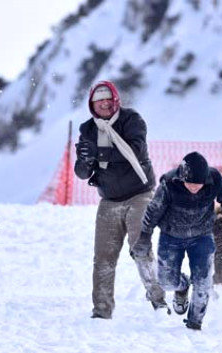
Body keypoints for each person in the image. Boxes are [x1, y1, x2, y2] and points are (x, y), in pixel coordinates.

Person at [74, 80, 168, 319]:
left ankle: (158, 301)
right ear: (92, 105)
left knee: (141, 249)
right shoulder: (88, 130)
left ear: (115, 100)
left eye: (108, 99)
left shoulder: (131, 120)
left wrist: (99, 152)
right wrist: (85, 160)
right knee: (103, 258)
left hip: (140, 193)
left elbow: (135, 151)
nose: (104, 104)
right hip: (109, 199)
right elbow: (82, 173)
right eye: (98, 100)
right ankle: (102, 311)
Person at [131, 151, 222, 330]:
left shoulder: (214, 179)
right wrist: (144, 239)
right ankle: (182, 286)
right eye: (190, 183)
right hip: (171, 237)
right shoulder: (169, 183)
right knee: (166, 282)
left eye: (198, 184)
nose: (194, 188)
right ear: (182, 178)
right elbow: (153, 211)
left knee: (203, 281)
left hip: (201, 236)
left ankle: (195, 322)